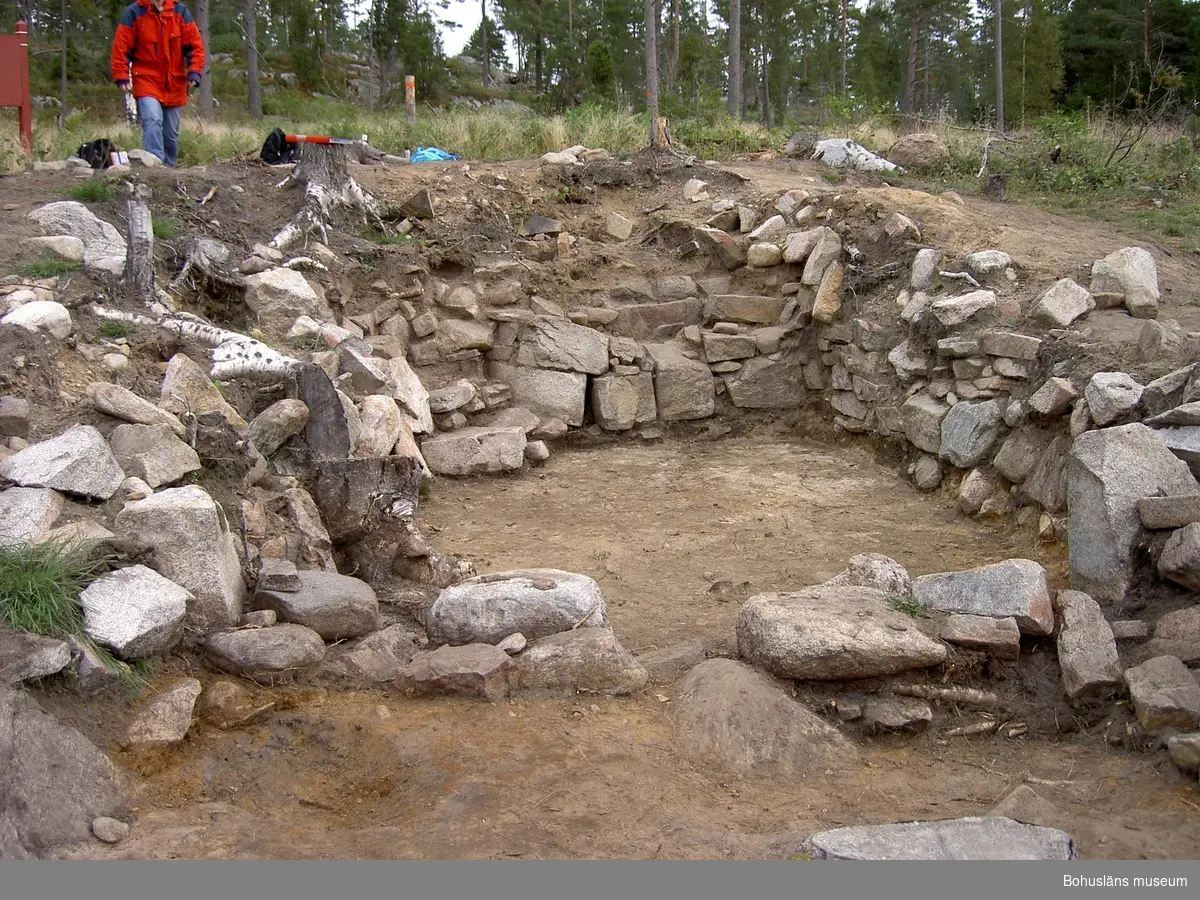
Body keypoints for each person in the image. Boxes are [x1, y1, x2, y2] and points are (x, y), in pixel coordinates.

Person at [109, 0, 205, 168]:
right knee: (152, 119)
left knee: (170, 133)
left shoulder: (180, 11)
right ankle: (154, 167)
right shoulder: (134, 12)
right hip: (146, 78)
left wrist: (194, 71)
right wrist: (121, 74)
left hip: (174, 81)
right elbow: (121, 47)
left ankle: (168, 168)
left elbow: (195, 46)